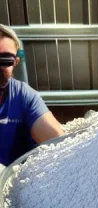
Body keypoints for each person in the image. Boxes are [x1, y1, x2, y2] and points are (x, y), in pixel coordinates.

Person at [0, 24, 64, 167]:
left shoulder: (23, 96)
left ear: (15, 62)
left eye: (5, 60)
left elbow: (59, 145)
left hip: (15, 183)